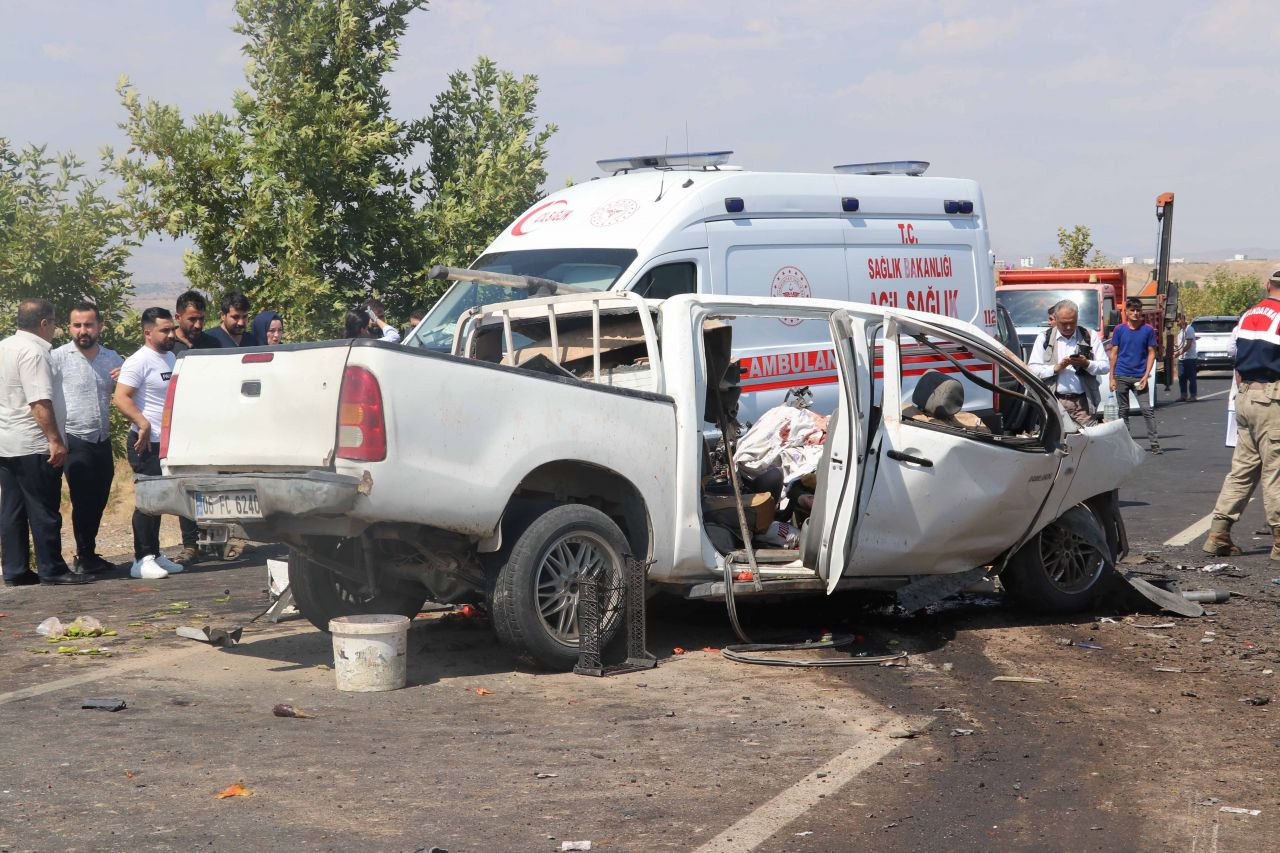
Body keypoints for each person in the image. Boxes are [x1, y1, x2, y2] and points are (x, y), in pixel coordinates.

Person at [0, 299, 89, 586]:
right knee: (43, 507)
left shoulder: (5, 346)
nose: (54, 329)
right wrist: (55, 439)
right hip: (33, 442)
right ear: (43, 323)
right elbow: (39, 401)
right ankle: (52, 568)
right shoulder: (34, 352)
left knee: (12, 509)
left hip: (7, 441)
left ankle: (15, 569)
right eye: (53, 322)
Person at [1203, 268, 1280, 560]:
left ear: (1267, 285)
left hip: (1246, 395)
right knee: (1276, 471)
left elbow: (1233, 352)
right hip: (1272, 399)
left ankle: (1218, 533)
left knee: (1243, 469)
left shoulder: (1249, 314)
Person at [50, 301, 124, 575]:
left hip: (101, 439)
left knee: (100, 497)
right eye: (77, 325)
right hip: (74, 438)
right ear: (68, 328)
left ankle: (89, 553)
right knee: (82, 499)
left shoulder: (112, 358)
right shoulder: (57, 358)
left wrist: (124, 378)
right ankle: (83, 556)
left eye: (88, 325)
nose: (83, 330)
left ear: (99, 327)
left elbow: (129, 390)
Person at [113, 308, 187, 579]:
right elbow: (121, 397)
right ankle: (140, 559)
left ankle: (155, 554)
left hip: (167, 443)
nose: (171, 334)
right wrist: (142, 423)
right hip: (145, 442)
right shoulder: (138, 361)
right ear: (148, 333)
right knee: (146, 501)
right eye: (164, 330)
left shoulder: (170, 357)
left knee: (160, 501)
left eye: (171, 329)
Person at [1029, 299, 1110, 426]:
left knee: (1087, 441)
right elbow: (1032, 369)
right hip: (1055, 402)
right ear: (1055, 318)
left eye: (1072, 323)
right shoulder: (1044, 338)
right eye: (1063, 323)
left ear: (1077, 318)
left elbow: (1105, 367)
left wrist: (1087, 364)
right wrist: (1056, 368)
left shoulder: (1089, 336)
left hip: (1084, 404)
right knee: (1057, 442)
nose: (1068, 327)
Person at [1109, 296, 1161, 453]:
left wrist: (1146, 375)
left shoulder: (1148, 330)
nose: (1136, 313)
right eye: (1132, 310)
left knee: (1147, 409)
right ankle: (1126, 444)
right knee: (1123, 411)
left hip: (1140, 378)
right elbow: (1115, 353)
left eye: (1138, 310)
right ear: (1126, 312)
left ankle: (1154, 444)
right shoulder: (1119, 330)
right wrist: (1112, 377)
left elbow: (1152, 353)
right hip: (1121, 375)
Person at [1174, 313, 1198, 402]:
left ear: (1183, 320)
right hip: (1182, 358)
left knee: (1191, 377)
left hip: (1190, 358)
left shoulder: (1189, 329)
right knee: (1181, 377)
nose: (1177, 322)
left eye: (1178, 320)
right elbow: (1180, 344)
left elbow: (1188, 345)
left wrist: (1179, 352)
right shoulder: (1181, 331)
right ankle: (1183, 395)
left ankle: (1193, 395)